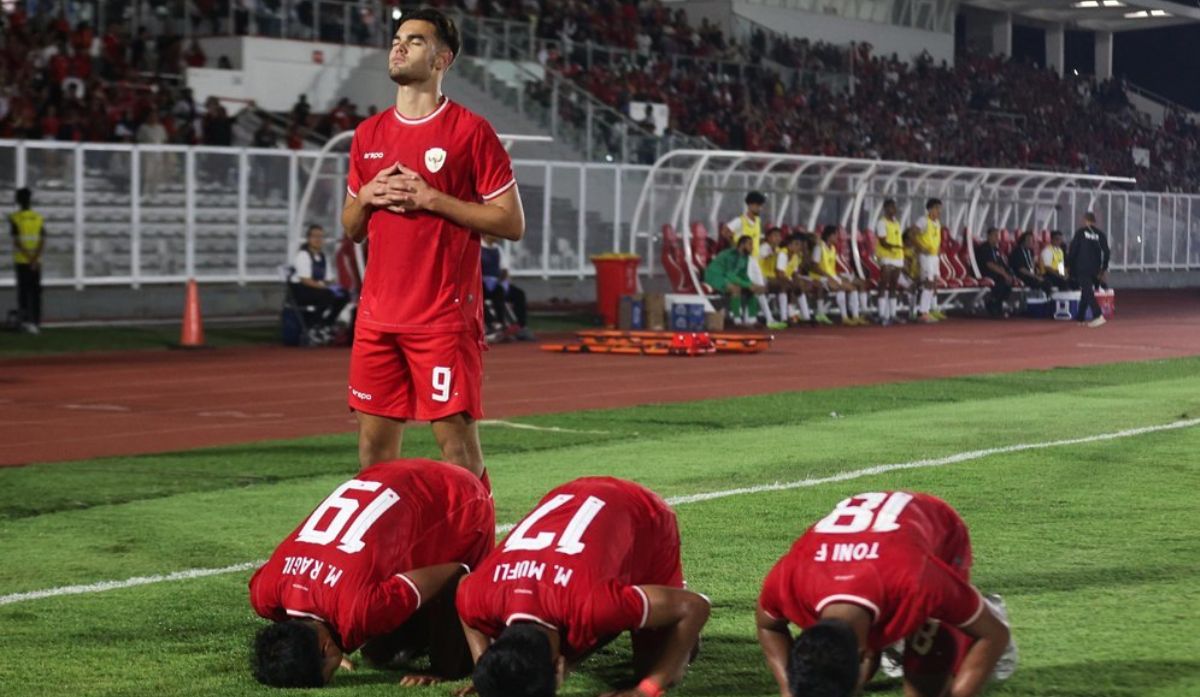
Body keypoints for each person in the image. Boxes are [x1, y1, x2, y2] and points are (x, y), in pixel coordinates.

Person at [340, 8, 525, 476]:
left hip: (443, 319)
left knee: (458, 452)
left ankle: (475, 547)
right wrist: (365, 197)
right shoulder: (369, 134)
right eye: (397, 38)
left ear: (443, 59)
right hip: (378, 319)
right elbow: (351, 227)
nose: (398, 46)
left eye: (415, 41)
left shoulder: (470, 131)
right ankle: (386, 549)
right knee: (373, 454)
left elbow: (510, 222)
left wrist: (432, 198)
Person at [249, 459, 495, 688]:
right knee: (380, 652)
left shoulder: (359, 610)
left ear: (326, 647)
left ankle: (450, 661)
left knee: (452, 657)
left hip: (458, 493)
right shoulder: (264, 593)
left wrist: (452, 668)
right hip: (384, 475)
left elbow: (457, 573)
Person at [458, 477, 711, 697]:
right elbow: (463, 590)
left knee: (661, 666)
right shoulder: (477, 596)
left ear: (559, 666)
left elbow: (695, 606)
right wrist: (490, 667)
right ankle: (628, 607)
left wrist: (648, 688)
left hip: (641, 511)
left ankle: (655, 593)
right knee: (597, 616)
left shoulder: (591, 604)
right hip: (572, 496)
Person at [756, 491, 1017, 697]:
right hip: (877, 566)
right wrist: (788, 689)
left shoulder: (919, 584)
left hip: (937, 535)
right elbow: (769, 626)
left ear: (864, 655)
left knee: (925, 685)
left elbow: (994, 634)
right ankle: (895, 637)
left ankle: (972, 610)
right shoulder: (790, 578)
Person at [719, 191, 782, 327]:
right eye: (758, 205)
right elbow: (725, 231)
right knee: (755, 287)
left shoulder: (758, 221)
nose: (760, 208)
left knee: (757, 288)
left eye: (761, 206)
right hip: (743, 260)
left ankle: (750, 318)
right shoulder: (740, 221)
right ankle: (765, 319)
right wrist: (735, 247)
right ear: (750, 205)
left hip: (754, 259)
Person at [289, 224, 350, 341]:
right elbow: (305, 280)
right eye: (314, 236)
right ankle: (313, 326)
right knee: (327, 295)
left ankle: (327, 324)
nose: (318, 240)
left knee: (344, 295)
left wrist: (333, 286)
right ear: (308, 238)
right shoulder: (303, 255)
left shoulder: (323, 257)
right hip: (301, 290)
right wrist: (325, 287)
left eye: (320, 237)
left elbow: (329, 278)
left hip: (318, 288)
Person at [811, 225, 866, 326]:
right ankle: (844, 317)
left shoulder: (832, 248)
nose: (837, 238)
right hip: (820, 277)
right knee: (841, 287)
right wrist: (828, 276)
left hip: (831, 276)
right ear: (829, 236)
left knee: (852, 288)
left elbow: (832, 266)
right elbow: (814, 266)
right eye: (835, 235)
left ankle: (855, 316)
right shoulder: (819, 247)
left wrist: (838, 275)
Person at [481, 235, 532, 342]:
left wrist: (501, 281)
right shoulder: (478, 247)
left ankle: (521, 326)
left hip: (496, 282)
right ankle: (497, 324)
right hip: (481, 283)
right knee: (494, 293)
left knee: (519, 294)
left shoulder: (498, 249)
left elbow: (504, 269)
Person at [704, 235, 762, 327]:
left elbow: (743, 275)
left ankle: (752, 319)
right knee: (735, 288)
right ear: (742, 245)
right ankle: (737, 320)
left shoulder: (745, 257)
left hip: (726, 277)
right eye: (750, 244)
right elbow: (730, 275)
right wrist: (747, 285)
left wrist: (752, 284)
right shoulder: (730, 255)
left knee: (752, 290)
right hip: (715, 276)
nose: (752, 247)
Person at [10, 188, 45, 334]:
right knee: (36, 293)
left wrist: (29, 258)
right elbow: (42, 240)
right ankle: (36, 322)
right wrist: (35, 259)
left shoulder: (15, 218)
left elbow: (17, 242)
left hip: (22, 261)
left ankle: (24, 322)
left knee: (23, 293)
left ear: (18, 201)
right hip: (36, 263)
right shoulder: (38, 217)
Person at [1066, 213, 1110, 328]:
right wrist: (1103, 268)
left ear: (1085, 220)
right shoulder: (1100, 234)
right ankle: (1080, 317)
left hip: (1081, 267)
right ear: (1094, 221)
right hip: (1095, 268)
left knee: (1087, 291)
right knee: (1086, 291)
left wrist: (1068, 266)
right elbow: (1106, 252)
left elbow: (1073, 250)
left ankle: (1098, 315)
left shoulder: (1080, 233)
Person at [911, 198, 946, 323]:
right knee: (928, 282)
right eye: (937, 208)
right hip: (926, 257)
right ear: (930, 209)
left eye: (940, 208)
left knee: (933, 283)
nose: (939, 211)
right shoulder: (923, 220)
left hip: (934, 256)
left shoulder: (937, 223)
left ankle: (926, 310)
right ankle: (922, 312)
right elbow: (912, 233)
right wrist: (920, 248)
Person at [874, 199, 904, 326]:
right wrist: (897, 247)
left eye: (895, 207)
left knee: (893, 285)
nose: (894, 210)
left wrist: (899, 249)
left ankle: (892, 314)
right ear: (886, 208)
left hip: (897, 257)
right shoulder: (882, 223)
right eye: (892, 207)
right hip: (886, 257)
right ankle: (882, 314)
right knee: (883, 284)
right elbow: (883, 242)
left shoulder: (896, 222)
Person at [976, 228, 1014, 318]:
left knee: (1009, 279)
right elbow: (989, 264)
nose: (997, 238)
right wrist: (1004, 274)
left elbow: (1001, 263)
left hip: (996, 272)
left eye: (998, 236)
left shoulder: (996, 249)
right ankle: (992, 302)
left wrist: (1008, 273)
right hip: (985, 272)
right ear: (989, 236)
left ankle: (998, 303)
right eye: (995, 235)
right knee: (1002, 279)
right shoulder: (984, 248)